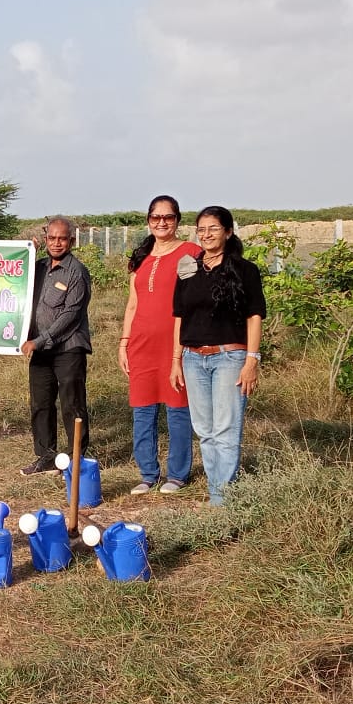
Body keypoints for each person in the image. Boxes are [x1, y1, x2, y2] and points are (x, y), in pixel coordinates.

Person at [170, 205, 266, 506]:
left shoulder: (245, 270)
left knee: (226, 430)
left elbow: (254, 316)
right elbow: (179, 317)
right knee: (205, 431)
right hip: (192, 358)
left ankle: (222, 501)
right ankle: (217, 492)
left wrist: (251, 360)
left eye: (213, 228)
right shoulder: (188, 267)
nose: (206, 234)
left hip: (229, 357)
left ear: (228, 231)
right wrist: (176, 360)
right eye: (201, 229)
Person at [119, 195, 202, 496]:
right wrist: (124, 342)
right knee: (142, 410)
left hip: (176, 345)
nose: (162, 222)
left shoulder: (190, 252)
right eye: (156, 217)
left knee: (178, 409)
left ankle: (177, 474)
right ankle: (148, 474)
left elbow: (193, 301)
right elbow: (133, 304)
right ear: (148, 220)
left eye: (168, 217)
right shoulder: (141, 257)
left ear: (177, 220)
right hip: (141, 344)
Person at [19, 216, 93, 476]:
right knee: (40, 403)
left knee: (72, 404)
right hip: (40, 349)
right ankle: (46, 457)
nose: (57, 243)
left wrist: (38, 341)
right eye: (52, 238)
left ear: (71, 241)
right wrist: (28, 254)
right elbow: (13, 278)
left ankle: (76, 461)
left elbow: (70, 315)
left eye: (62, 238)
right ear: (46, 238)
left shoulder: (77, 272)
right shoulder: (37, 267)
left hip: (68, 347)